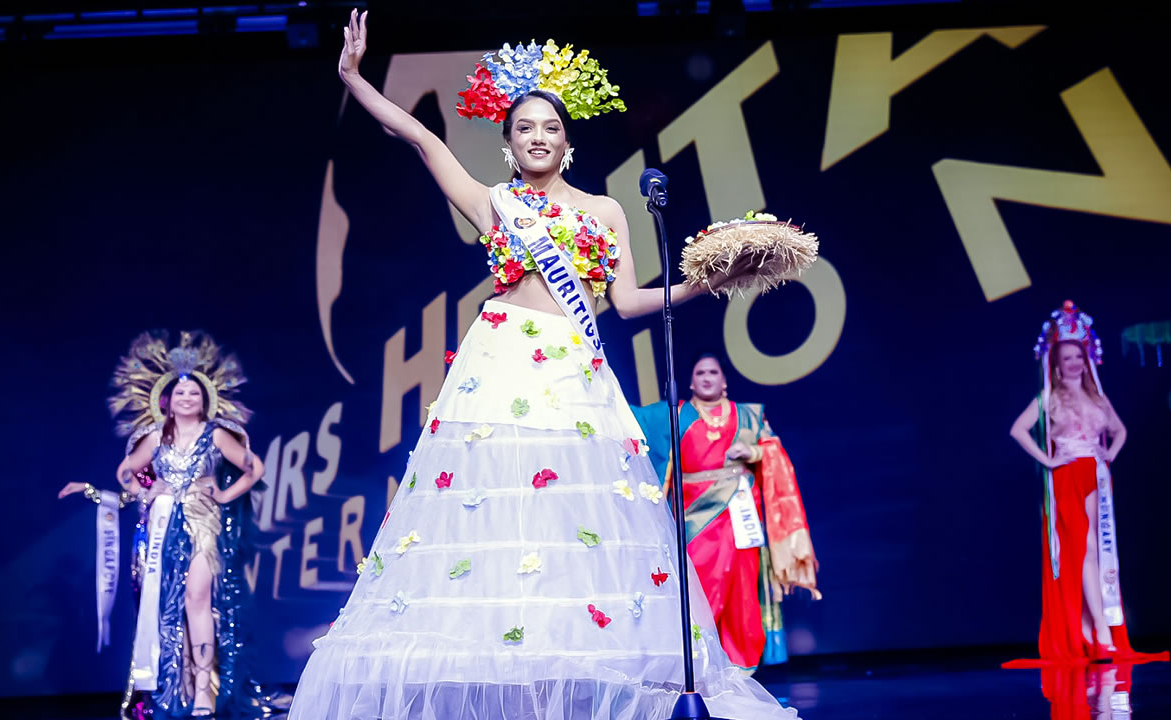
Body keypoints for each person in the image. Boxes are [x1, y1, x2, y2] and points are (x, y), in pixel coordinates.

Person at [288, 11, 794, 720]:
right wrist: (351, 77)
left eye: (549, 127)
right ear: (507, 144)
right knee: (493, 517)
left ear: (568, 141)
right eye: (524, 127)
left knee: (570, 523)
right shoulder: (492, 205)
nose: (537, 137)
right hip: (499, 365)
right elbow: (421, 137)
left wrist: (712, 279)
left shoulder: (607, 211)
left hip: (571, 372)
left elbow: (626, 302)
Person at [62, 331, 267, 717]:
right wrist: (147, 491)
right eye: (180, 393)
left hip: (204, 525)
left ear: (205, 399)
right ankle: (181, 684)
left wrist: (224, 496)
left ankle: (204, 688)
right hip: (165, 529)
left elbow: (254, 467)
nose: (188, 398)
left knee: (198, 598)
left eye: (194, 393)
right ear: (168, 401)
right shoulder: (156, 436)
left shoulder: (217, 434)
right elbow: (126, 471)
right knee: (170, 608)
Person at [630, 353, 820, 672]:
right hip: (694, 520)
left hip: (739, 517)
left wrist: (754, 451)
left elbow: (774, 449)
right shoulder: (672, 416)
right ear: (690, 382)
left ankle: (739, 667)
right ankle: (699, 664)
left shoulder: (749, 416)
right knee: (699, 586)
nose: (706, 377)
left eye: (713, 372)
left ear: (724, 381)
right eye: (700, 372)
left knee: (742, 590)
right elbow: (629, 418)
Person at [1003, 301, 1165, 667]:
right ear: (1057, 364)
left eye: (1079, 355)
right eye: (1068, 357)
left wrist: (1109, 456)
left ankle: (1094, 630)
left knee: (1097, 551)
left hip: (1096, 476)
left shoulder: (1097, 396)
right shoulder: (1048, 396)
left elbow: (1119, 431)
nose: (1074, 362)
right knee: (1081, 549)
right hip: (1066, 476)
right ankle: (1099, 634)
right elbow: (1018, 430)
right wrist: (1048, 460)